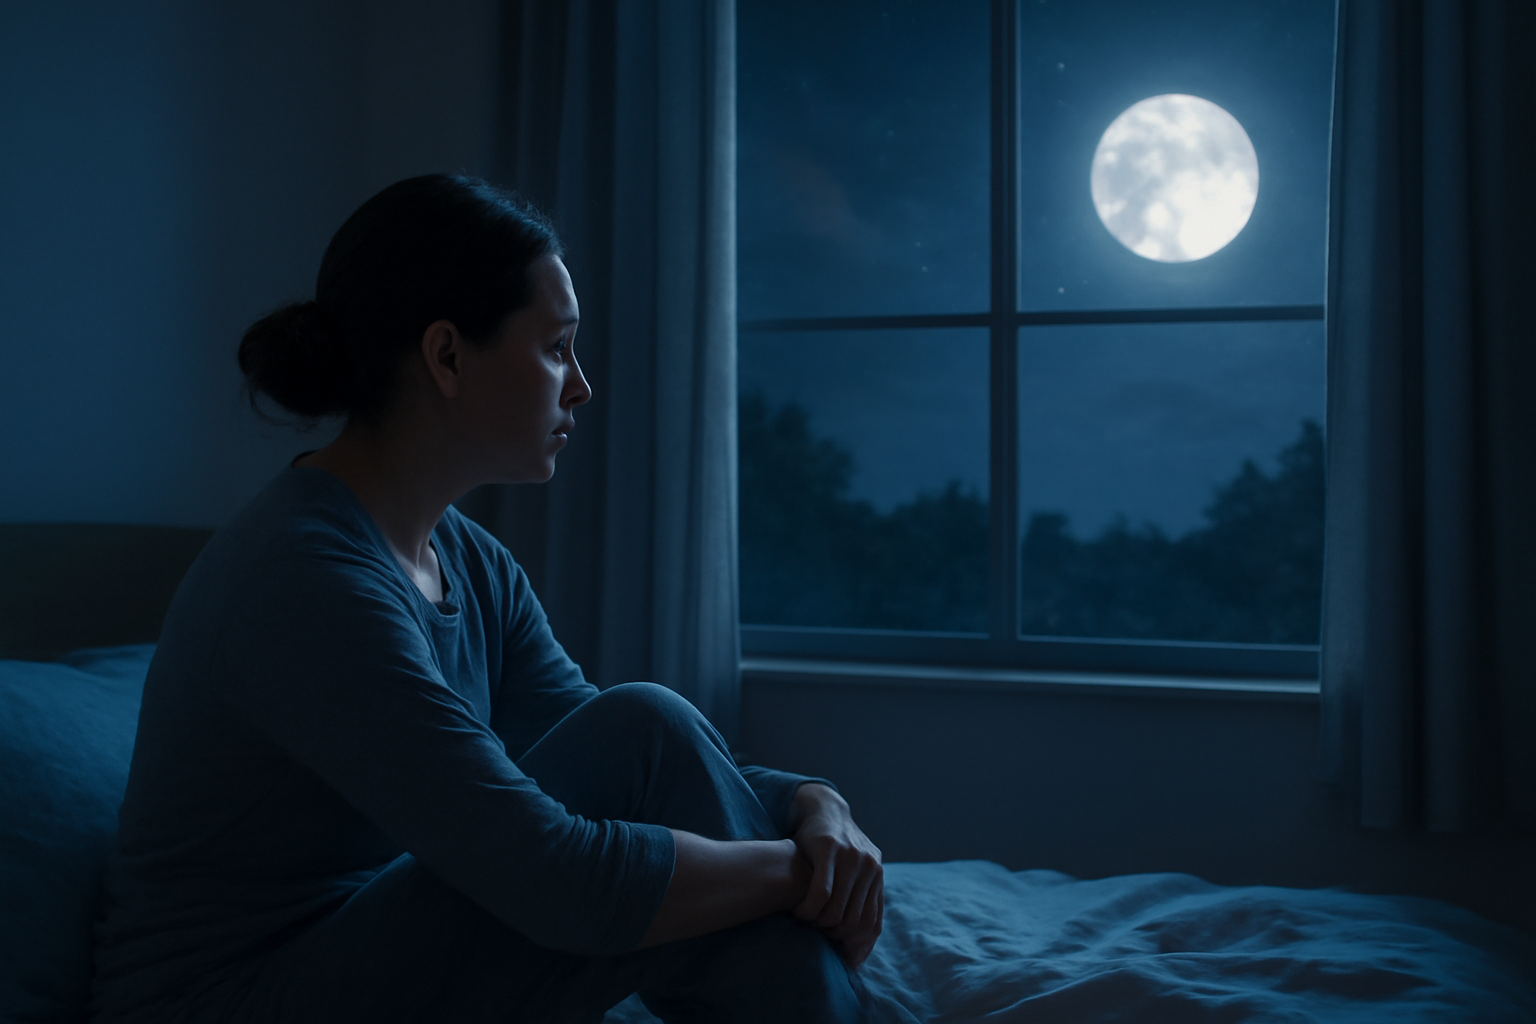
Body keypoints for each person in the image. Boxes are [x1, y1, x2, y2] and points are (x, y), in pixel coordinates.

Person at [90, 174, 882, 1024]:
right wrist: (801, 877)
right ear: (448, 357)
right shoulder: (303, 581)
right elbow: (557, 878)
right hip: (239, 997)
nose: (579, 385)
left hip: (372, 948)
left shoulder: (469, 559)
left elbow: (631, 762)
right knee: (654, 759)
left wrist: (811, 803)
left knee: (645, 730)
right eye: (556, 348)